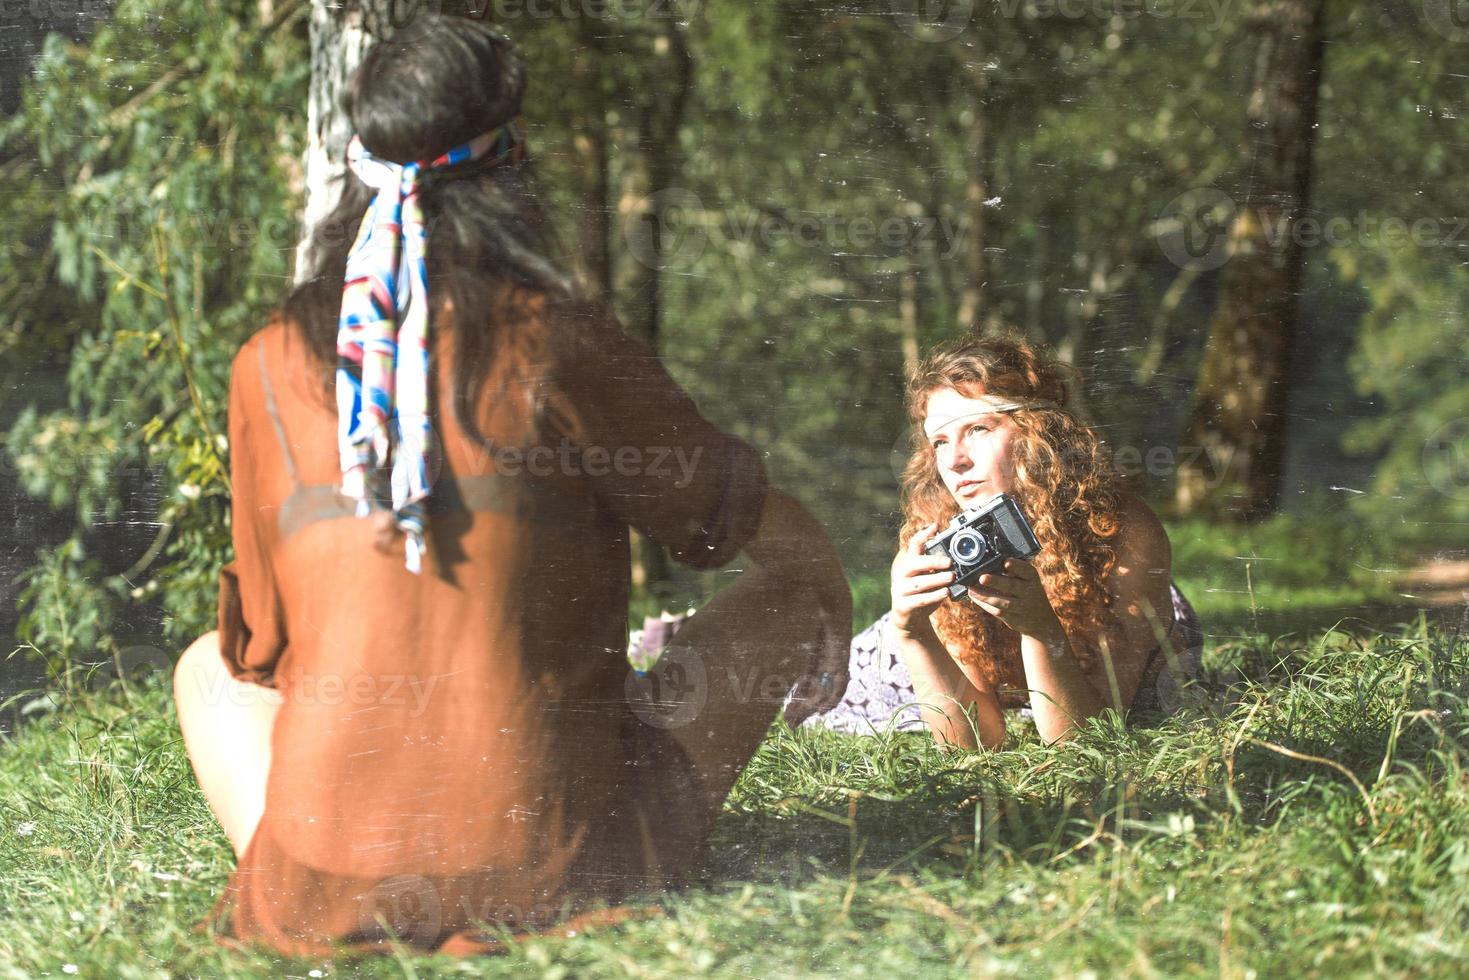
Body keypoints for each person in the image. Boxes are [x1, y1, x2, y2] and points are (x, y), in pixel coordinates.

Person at [171, 16, 851, 958]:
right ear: (511, 162)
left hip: (318, 894)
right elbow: (729, 516)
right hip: (558, 871)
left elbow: (260, 652)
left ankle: (320, 883)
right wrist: (824, 586)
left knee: (206, 666)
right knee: (781, 597)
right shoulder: (555, 341)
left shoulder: (266, 365)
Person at [808, 335, 1204, 747]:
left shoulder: (1120, 530)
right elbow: (979, 743)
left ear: (1039, 433)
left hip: (1126, 638)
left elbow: (1083, 741)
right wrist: (912, 632)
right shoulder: (940, 535)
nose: (955, 461)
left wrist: (1038, 630)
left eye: (978, 429)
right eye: (940, 442)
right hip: (895, 669)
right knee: (811, 687)